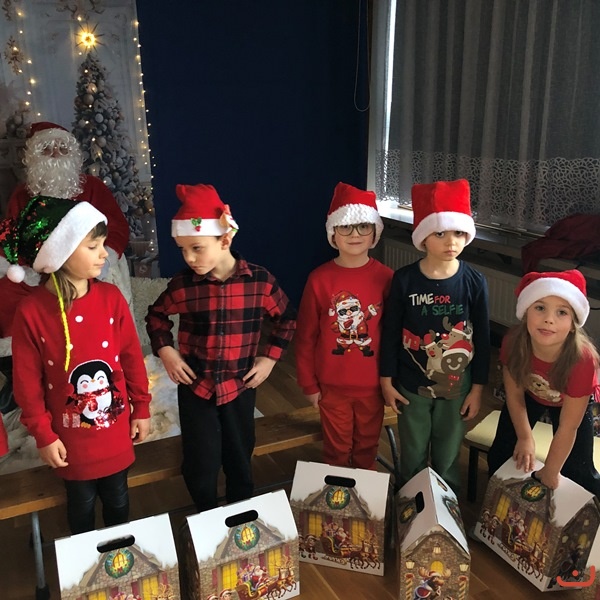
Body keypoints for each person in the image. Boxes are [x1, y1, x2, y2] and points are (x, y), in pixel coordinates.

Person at [0, 195, 151, 534]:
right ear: (62, 253)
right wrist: (43, 435)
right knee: (80, 507)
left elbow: (131, 358)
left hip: (115, 433)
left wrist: (141, 407)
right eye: (93, 246)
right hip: (70, 441)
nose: (104, 253)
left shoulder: (111, 299)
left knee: (118, 500)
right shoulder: (32, 312)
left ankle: (119, 562)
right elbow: (27, 382)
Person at [145, 183, 296, 512]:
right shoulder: (184, 285)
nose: (189, 257)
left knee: (240, 456)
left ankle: (239, 517)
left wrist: (270, 359)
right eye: (182, 249)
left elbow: (287, 319)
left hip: (239, 386)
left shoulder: (260, 282)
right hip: (196, 387)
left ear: (225, 240)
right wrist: (166, 351)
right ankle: (206, 516)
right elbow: (156, 315)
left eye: (196, 248)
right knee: (200, 462)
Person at [380, 179, 490, 492]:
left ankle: (446, 506)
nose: (450, 242)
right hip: (411, 385)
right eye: (440, 233)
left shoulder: (474, 281)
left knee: (447, 455)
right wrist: (386, 381)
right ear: (423, 237)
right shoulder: (404, 280)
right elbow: (390, 332)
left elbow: (483, 338)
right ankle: (410, 504)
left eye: (458, 233)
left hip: (457, 388)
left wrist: (477, 389)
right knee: (413, 453)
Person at [295, 182, 393, 469]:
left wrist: (392, 380)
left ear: (375, 232)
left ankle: (365, 497)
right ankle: (338, 496)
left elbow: (393, 335)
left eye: (363, 226)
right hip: (332, 387)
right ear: (333, 233)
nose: (355, 234)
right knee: (336, 451)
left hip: (373, 386)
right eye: (346, 227)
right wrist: (308, 383)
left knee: (367, 449)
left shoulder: (387, 278)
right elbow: (305, 336)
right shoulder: (319, 279)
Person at [487, 269, 600, 495]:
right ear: (526, 312)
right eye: (540, 308)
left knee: (578, 469)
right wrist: (524, 437)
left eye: (562, 312)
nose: (549, 319)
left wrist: (551, 470)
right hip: (528, 396)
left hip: (569, 404)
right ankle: (496, 499)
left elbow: (569, 425)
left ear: (573, 323)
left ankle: (588, 508)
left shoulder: (583, 360)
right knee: (503, 451)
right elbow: (514, 396)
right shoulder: (513, 342)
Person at [6, 121, 132, 305]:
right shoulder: (22, 194)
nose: (56, 154)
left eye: (63, 148)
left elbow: (117, 228)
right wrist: (25, 269)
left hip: (87, 261)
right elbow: (10, 236)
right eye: (47, 149)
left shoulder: (93, 186)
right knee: (9, 294)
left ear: (72, 154)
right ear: (34, 156)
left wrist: (102, 258)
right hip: (38, 268)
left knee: (99, 296)